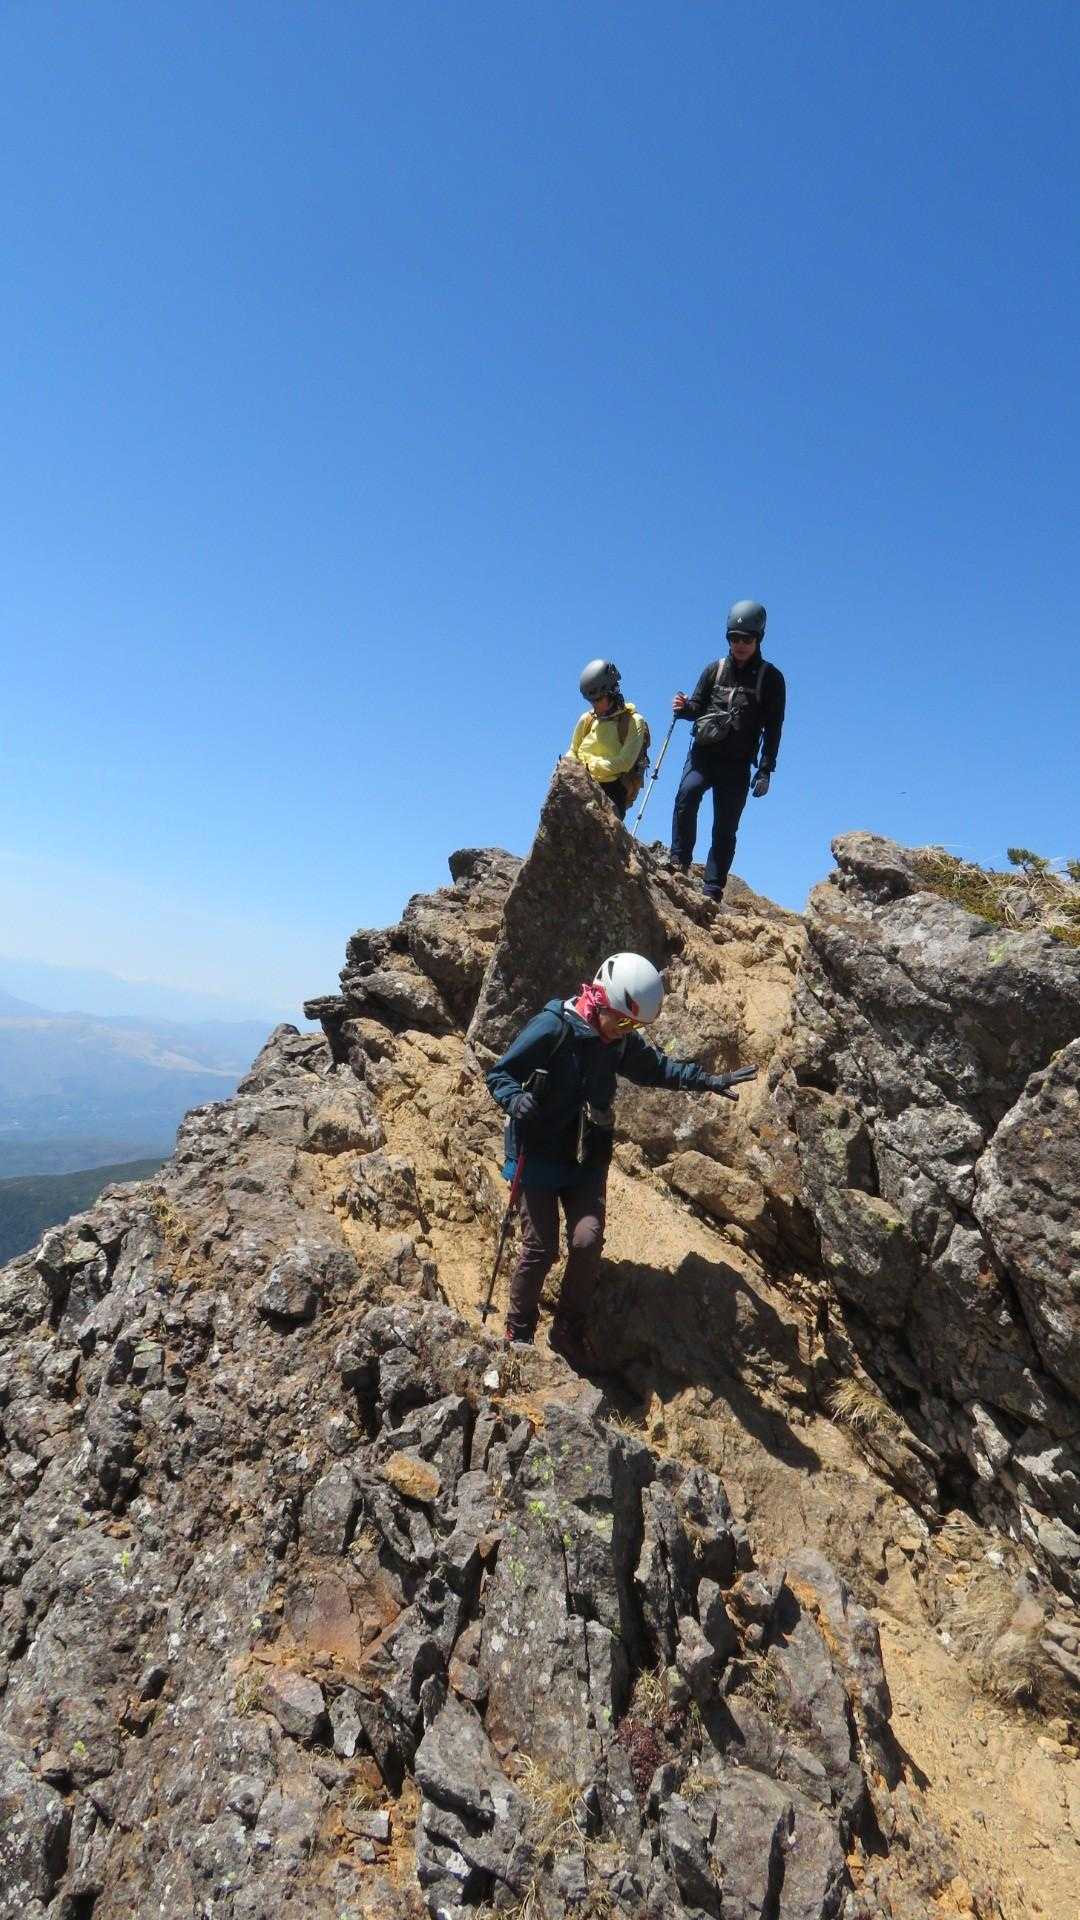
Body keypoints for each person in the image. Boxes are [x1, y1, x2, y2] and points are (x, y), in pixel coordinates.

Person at [485, 952, 756, 1365]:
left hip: (585, 1156)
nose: (627, 1032)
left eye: (636, 1027)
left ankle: (567, 1330)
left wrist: (707, 1080)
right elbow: (499, 1073)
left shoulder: (618, 1040)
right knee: (541, 1247)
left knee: (587, 1240)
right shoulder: (552, 1027)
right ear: (601, 998)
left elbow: (657, 1068)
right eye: (625, 1022)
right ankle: (518, 1333)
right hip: (537, 1154)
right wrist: (513, 1098)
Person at [667, 601, 786, 901]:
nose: (740, 644)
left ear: (759, 638)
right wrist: (684, 708)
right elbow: (698, 706)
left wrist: (765, 770)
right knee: (686, 796)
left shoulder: (771, 679)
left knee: (725, 827)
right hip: (704, 754)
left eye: (747, 639)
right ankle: (678, 862)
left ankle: (712, 888)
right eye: (734, 638)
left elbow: (773, 728)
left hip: (737, 763)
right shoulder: (715, 669)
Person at [567, 660, 650, 821]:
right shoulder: (587, 719)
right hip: (580, 784)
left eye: (598, 699)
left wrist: (589, 767)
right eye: (591, 701)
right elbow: (573, 750)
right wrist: (568, 766)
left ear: (612, 692)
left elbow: (625, 762)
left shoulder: (633, 721)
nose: (594, 705)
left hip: (613, 791)